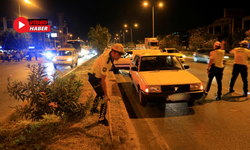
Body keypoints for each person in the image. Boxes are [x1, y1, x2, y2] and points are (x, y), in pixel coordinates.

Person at [88, 43, 125, 126]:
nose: (120, 56)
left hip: (96, 77)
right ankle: (101, 118)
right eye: (119, 54)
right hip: (94, 78)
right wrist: (106, 94)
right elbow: (104, 79)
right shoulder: (106, 60)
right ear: (114, 52)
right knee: (104, 97)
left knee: (100, 93)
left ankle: (93, 108)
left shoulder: (110, 55)